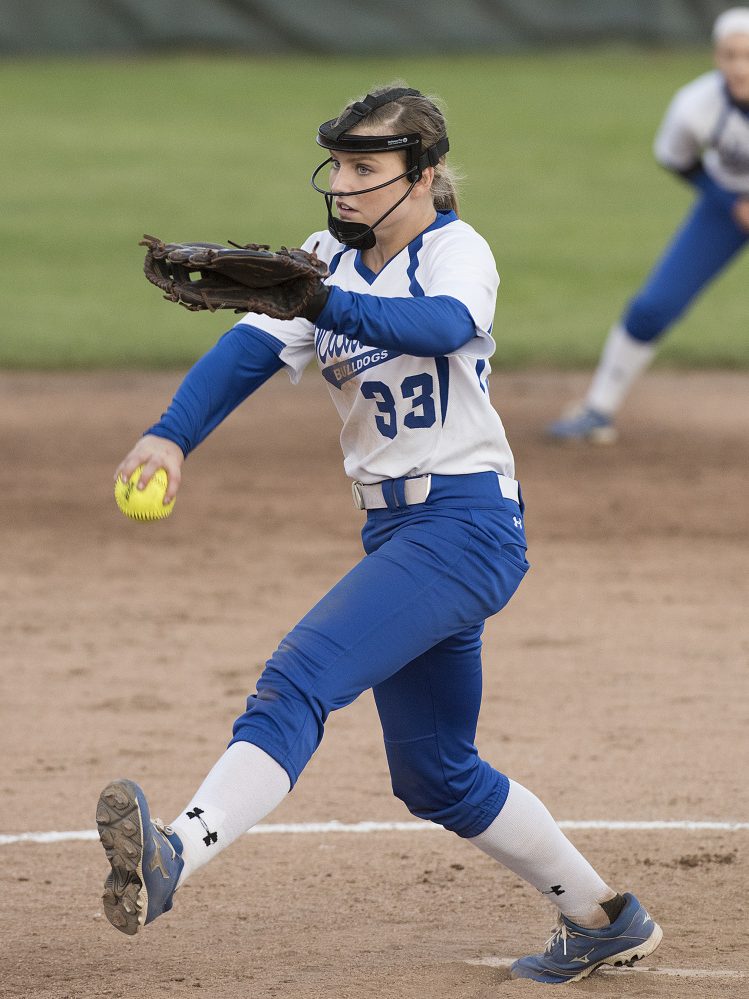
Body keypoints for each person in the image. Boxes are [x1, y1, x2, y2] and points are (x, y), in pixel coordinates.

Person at [96, 84, 662, 984]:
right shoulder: (326, 262)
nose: (344, 188)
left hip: (467, 526)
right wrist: (171, 432)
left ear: (424, 178)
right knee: (436, 773)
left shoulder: (453, 250)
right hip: (398, 536)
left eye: (367, 169)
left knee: (298, 678)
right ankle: (602, 919)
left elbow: (439, 326)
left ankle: (172, 856)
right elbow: (244, 353)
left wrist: (320, 304)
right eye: (339, 169)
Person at [548, 7, 749, 443]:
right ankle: (598, 410)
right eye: (731, 54)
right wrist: (731, 202)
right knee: (654, 306)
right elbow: (676, 159)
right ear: (717, 57)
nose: (740, 66)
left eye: (748, 55)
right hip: (727, 210)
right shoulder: (696, 105)